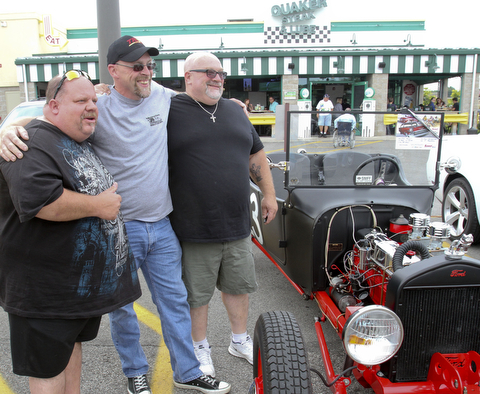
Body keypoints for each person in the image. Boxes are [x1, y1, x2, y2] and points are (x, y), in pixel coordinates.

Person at [0, 36, 231, 394]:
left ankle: (187, 371)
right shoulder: (98, 106)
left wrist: (233, 108)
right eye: (137, 66)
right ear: (113, 71)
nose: (146, 73)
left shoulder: (163, 97)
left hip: (161, 224)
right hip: (117, 227)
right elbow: (45, 117)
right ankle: (135, 373)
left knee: (175, 303)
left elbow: (207, 98)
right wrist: (6, 130)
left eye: (150, 66)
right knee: (122, 309)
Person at [0, 71, 141, 394]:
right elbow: (40, 201)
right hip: (43, 294)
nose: (91, 106)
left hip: (73, 294)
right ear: (52, 107)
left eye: (94, 100)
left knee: (71, 352)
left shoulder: (72, 138)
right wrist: (98, 206)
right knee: (48, 371)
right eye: (80, 101)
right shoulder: (30, 141)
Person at [167, 52, 277, 380]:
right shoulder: (169, 109)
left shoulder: (234, 110)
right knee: (196, 294)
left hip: (236, 222)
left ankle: (239, 341)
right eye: (209, 72)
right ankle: (199, 349)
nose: (217, 78)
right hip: (193, 225)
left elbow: (255, 152)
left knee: (237, 286)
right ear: (188, 76)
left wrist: (269, 193)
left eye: (221, 73)